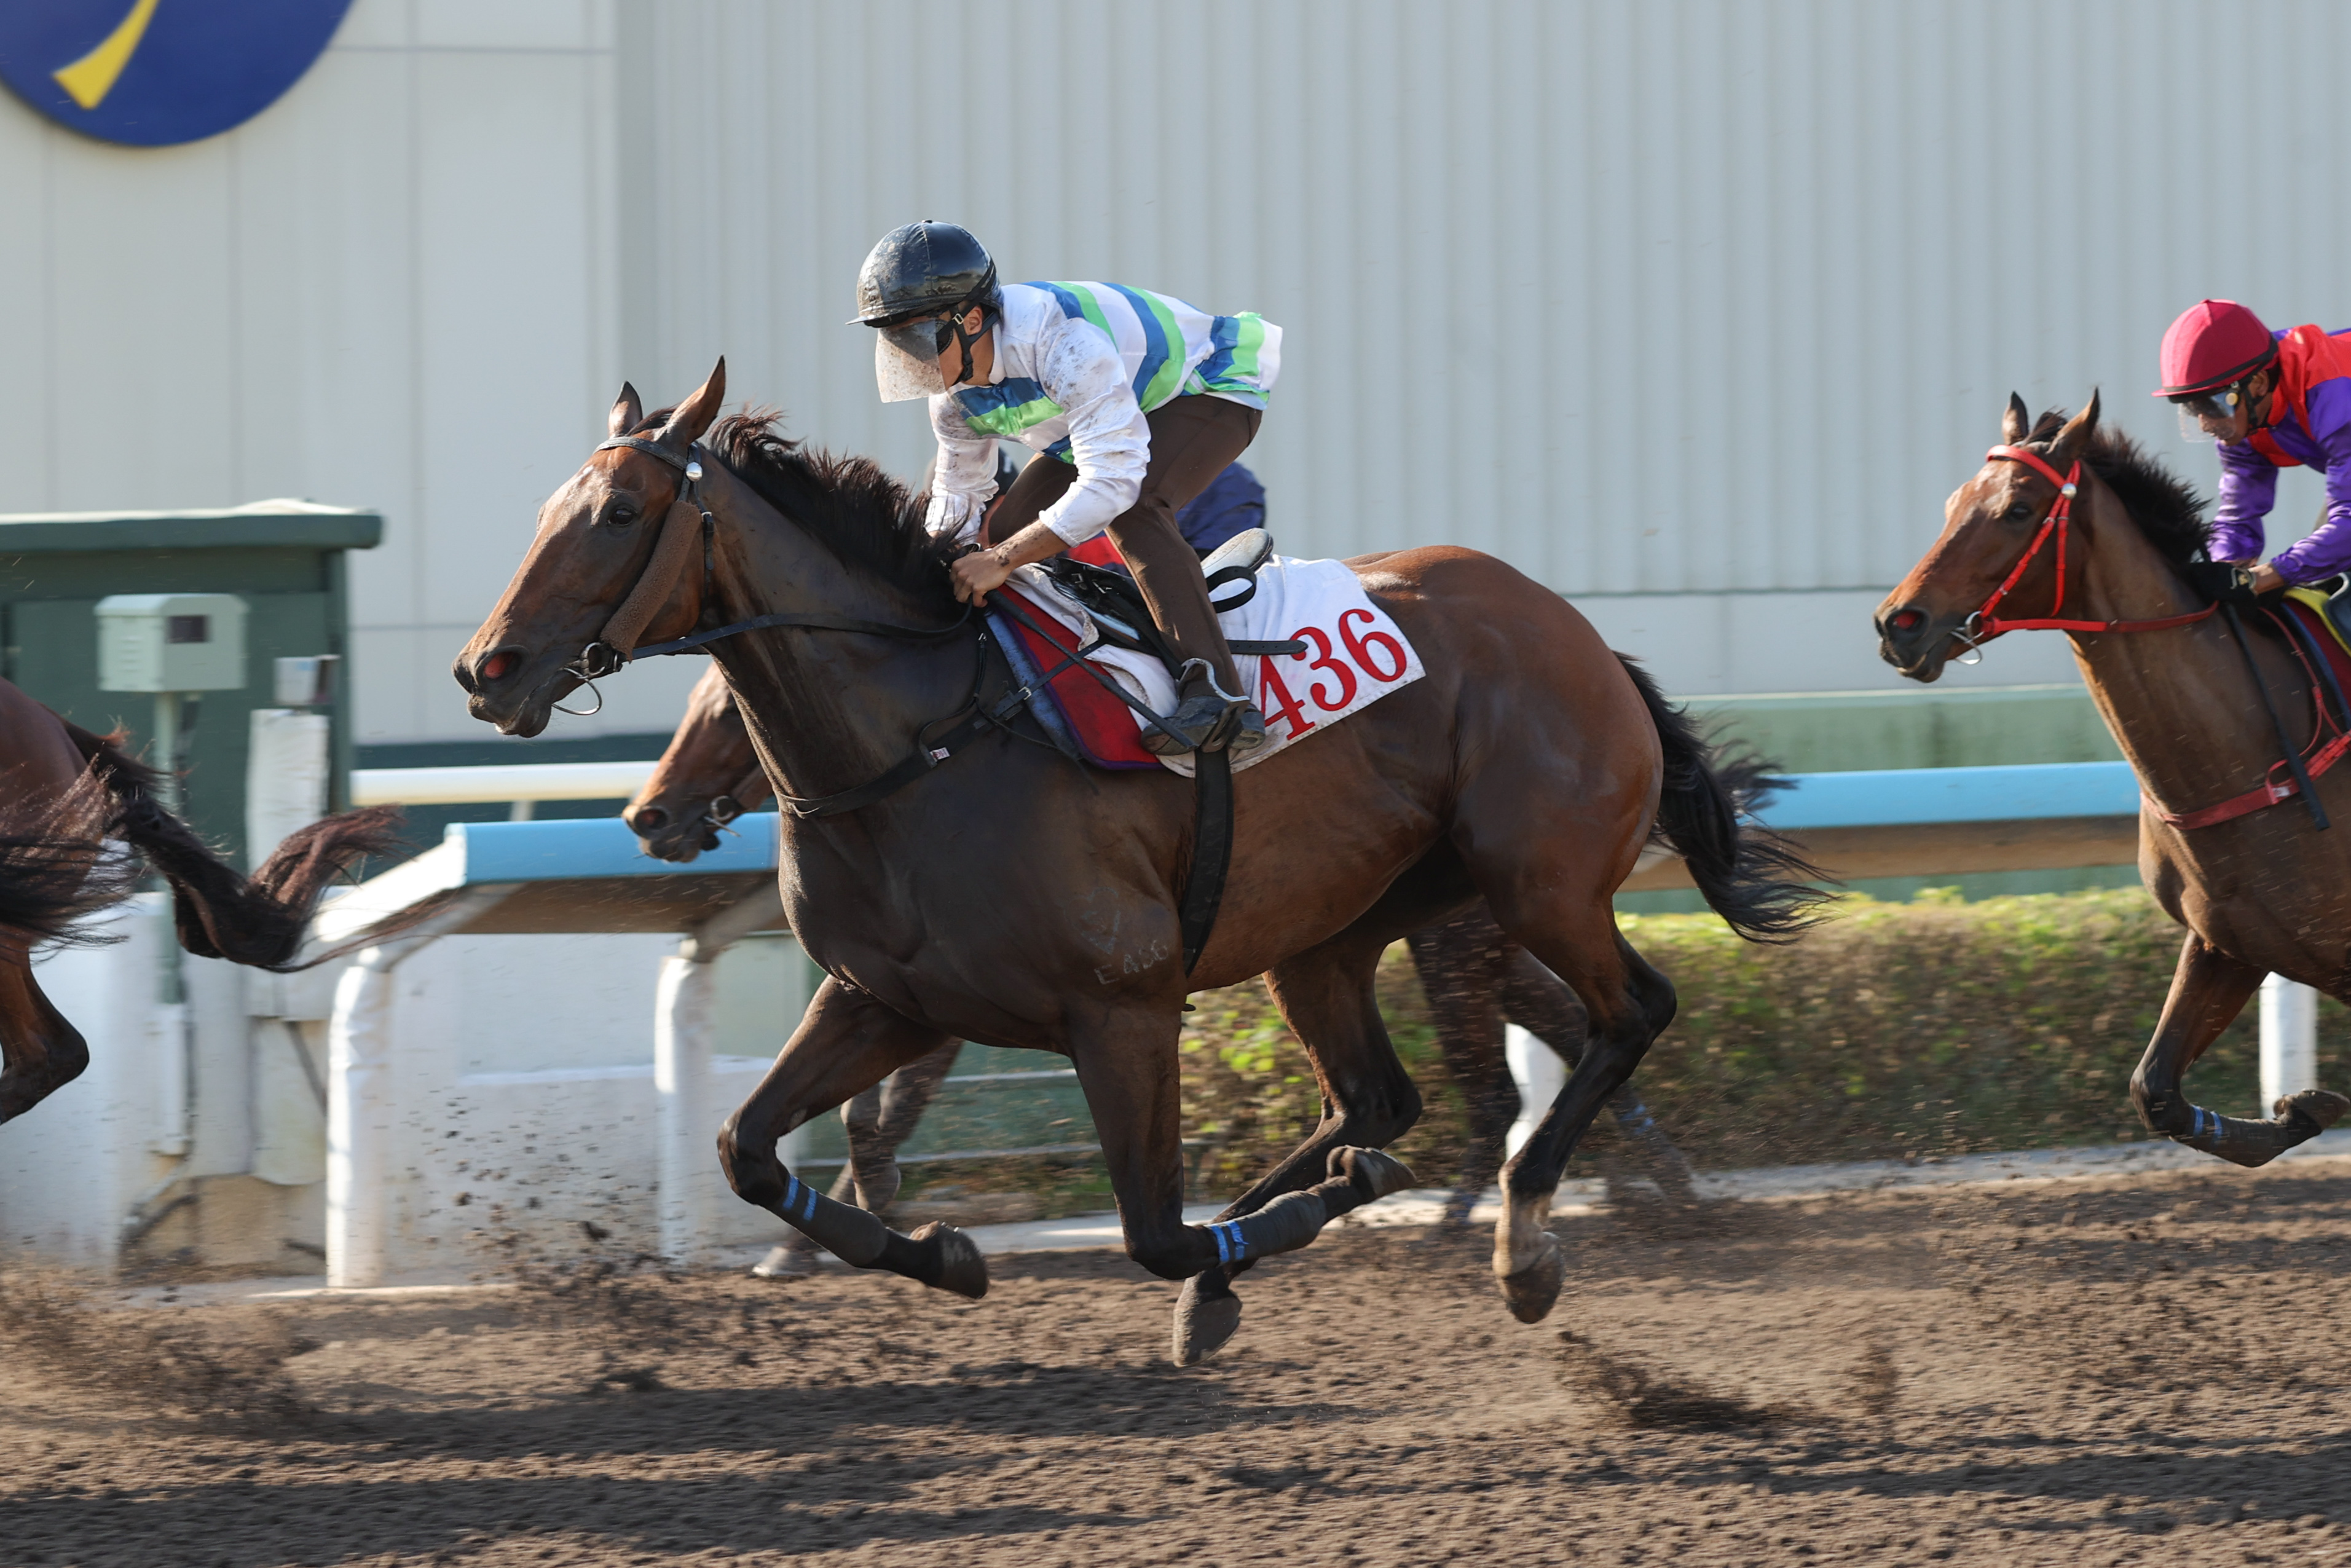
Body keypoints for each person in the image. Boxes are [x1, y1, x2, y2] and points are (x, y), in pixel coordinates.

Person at [853, 221, 1280, 754]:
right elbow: (958, 496)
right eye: (897, 343)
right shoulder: (953, 401)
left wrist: (1003, 560)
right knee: (1009, 526)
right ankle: (1095, 640)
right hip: (1111, 409)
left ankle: (1217, 694)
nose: (912, 361)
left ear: (973, 320)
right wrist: (942, 564)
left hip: (1203, 385)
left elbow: (1113, 482)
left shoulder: (1062, 340)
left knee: (1134, 508)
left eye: (918, 340)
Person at [2159, 299, 2351, 599]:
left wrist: (2263, 577)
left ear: (2259, 383)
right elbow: (2238, 521)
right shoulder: (2247, 416)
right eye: (2193, 408)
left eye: (2211, 405)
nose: (2206, 424)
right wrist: (2221, 574)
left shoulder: (2333, 394)